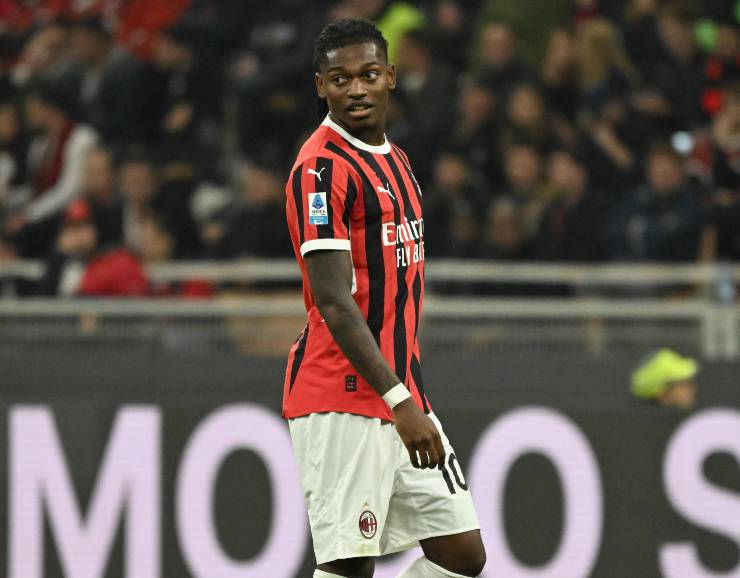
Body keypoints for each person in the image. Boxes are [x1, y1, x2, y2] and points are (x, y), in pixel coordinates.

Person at [283, 19, 485, 578]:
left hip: (400, 394)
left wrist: (404, 399)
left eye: (368, 74)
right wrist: (399, 402)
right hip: (343, 394)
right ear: (320, 86)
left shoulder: (396, 160)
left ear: (390, 77)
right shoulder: (319, 171)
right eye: (340, 78)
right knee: (350, 567)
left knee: (462, 555)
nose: (356, 89)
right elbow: (334, 301)